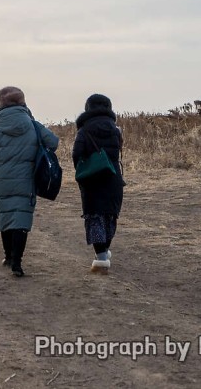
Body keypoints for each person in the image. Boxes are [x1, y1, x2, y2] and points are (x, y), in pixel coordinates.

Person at [0, 86, 59, 277]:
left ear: (0, 103)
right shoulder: (33, 125)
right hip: (27, 179)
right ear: (22, 102)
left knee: (5, 216)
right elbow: (54, 142)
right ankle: (17, 263)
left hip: (2, 181)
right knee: (21, 218)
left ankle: (8, 256)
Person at [72, 93, 125, 274]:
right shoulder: (116, 130)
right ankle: (104, 251)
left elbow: (76, 155)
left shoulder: (83, 130)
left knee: (95, 216)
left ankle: (101, 256)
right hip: (113, 177)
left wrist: (82, 171)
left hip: (91, 180)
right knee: (110, 215)